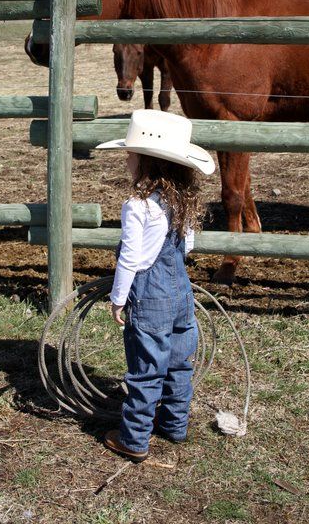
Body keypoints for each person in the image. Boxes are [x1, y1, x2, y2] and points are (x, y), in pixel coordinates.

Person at [96, 109, 215, 463]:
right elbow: (187, 246)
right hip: (181, 290)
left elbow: (131, 259)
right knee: (179, 363)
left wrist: (118, 299)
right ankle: (175, 425)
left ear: (147, 161)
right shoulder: (180, 200)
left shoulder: (137, 206)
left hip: (150, 296)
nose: (126, 158)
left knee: (146, 368)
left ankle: (134, 439)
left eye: (130, 154)